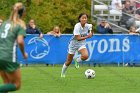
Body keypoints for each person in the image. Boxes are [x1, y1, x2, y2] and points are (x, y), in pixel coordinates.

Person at [0, 2, 28, 92]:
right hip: (8, 56)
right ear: (23, 13)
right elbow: (20, 41)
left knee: (7, 84)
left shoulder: (4, 23)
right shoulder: (20, 24)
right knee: (16, 85)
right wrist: (24, 54)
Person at [61, 13, 93, 77]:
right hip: (73, 44)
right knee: (68, 61)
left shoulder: (89, 25)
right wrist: (87, 36)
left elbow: (91, 32)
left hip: (81, 44)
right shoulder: (77, 26)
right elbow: (78, 38)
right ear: (79, 19)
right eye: (82, 18)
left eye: (85, 18)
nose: (84, 19)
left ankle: (77, 60)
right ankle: (63, 73)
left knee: (85, 56)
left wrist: (91, 32)